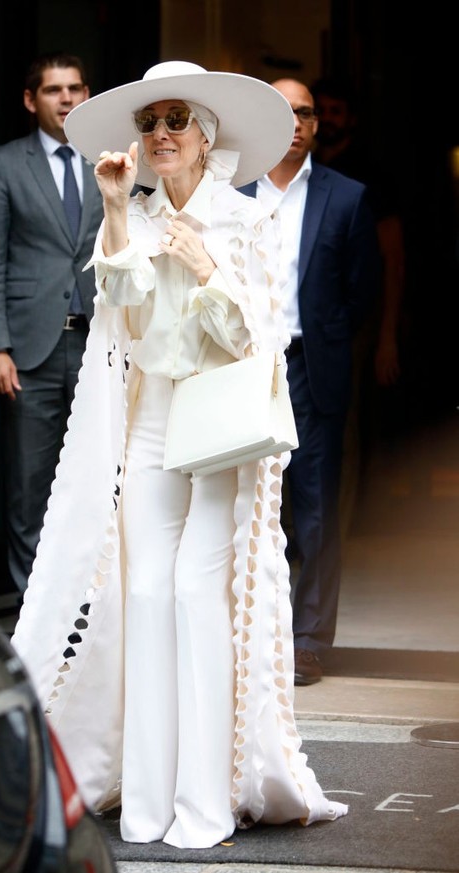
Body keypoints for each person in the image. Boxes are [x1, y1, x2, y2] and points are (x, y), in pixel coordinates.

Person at [11, 60, 348, 850]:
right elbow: (120, 308)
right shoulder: (133, 212)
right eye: (149, 123)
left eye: (175, 122)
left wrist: (207, 274)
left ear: (205, 137)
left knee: (201, 593)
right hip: (156, 424)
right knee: (147, 595)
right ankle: (149, 803)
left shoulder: (245, 220)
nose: (159, 135)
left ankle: (207, 801)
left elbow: (253, 341)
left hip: (221, 428)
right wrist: (115, 207)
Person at [239, 78, 381, 685]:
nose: (295, 121)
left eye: (305, 112)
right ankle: (246, 634)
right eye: (284, 111)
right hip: (245, 368)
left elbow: (363, 290)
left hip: (311, 366)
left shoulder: (346, 198)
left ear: (317, 125)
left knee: (317, 508)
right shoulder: (230, 191)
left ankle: (308, 641)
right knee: (249, 503)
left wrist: (325, 337)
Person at [0, 52, 104, 593]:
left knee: (95, 480)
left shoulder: (109, 162)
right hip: (30, 349)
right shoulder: (4, 164)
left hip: (100, 342)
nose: (67, 98)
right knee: (30, 486)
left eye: (75, 88)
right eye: (54, 90)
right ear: (32, 101)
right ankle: (31, 613)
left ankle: (84, 608)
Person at [310, 76, 407, 477]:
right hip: (306, 318)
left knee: (341, 421)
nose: (328, 120)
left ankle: (341, 532)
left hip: (355, 321)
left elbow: (393, 255)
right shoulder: (302, 171)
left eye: (336, 112)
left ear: (351, 119)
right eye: (322, 111)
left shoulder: (369, 177)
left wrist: (387, 336)